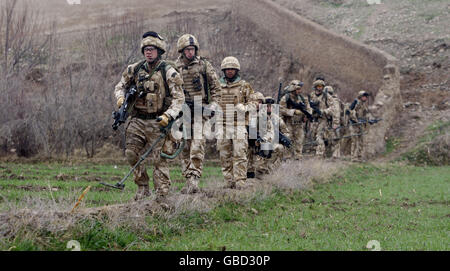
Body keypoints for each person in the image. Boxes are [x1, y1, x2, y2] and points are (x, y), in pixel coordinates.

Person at [114, 31, 185, 206]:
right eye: (146, 49)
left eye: (152, 49)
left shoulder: (168, 72)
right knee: (131, 153)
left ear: (159, 51)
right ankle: (142, 187)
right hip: (137, 119)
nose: (148, 52)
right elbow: (120, 86)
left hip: (159, 121)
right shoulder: (134, 69)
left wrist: (169, 116)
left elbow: (179, 98)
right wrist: (120, 99)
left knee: (159, 159)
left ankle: (162, 195)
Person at [175, 34, 221, 194]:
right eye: (187, 49)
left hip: (201, 110)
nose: (190, 52)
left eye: (192, 49)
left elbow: (216, 88)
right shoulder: (175, 68)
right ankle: (188, 180)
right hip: (183, 113)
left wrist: (213, 105)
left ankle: (194, 178)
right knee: (184, 148)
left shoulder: (204, 65)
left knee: (198, 145)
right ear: (182, 50)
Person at [217, 56, 257, 189]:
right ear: (223, 70)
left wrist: (245, 108)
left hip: (238, 125)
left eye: (232, 69)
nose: (229, 71)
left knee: (240, 154)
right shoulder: (217, 86)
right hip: (222, 125)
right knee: (224, 155)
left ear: (236, 70)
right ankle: (228, 182)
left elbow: (255, 103)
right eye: (227, 69)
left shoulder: (244, 86)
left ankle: (240, 182)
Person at [279, 80, 311, 160]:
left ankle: (298, 158)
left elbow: (308, 109)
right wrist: (293, 111)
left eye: (300, 89)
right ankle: (287, 157)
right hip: (288, 123)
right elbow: (280, 109)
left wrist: (306, 116)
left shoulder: (303, 98)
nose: (299, 91)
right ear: (293, 89)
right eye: (297, 89)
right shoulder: (285, 98)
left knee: (299, 141)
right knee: (288, 140)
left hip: (299, 124)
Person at [308, 80, 340, 157]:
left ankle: (320, 155)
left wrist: (323, 111)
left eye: (321, 86)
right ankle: (321, 153)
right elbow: (307, 106)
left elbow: (333, 108)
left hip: (323, 119)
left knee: (319, 136)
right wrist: (310, 111)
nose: (320, 88)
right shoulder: (311, 96)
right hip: (314, 120)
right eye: (318, 86)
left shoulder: (327, 96)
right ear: (315, 87)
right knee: (313, 136)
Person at [247, 92, 274, 179]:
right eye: (257, 101)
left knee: (268, 148)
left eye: (260, 102)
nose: (259, 104)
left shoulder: (265, 115)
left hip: (260, 141)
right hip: (247, 142)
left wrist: (264, 139)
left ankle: (262, 172)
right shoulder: (246, 114)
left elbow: (270, 131)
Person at [348, 90, 374, 162]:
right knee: (354, 141)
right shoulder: (356, 102)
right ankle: (353, 157)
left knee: (361, 141)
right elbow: (349, 112)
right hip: (354, 125)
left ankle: (359, 156)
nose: (365, 98)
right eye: (364, 96)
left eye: (366, 97)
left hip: (360, 125)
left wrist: (370, 120)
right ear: (360, 96)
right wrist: (355, 120)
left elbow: (366, 114)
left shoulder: (363, 105)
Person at [324, 85, 343, 159]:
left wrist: (336, 124)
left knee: (335, 139)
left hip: (334, 122)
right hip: (328, 122)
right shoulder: (326, 100)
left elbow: (337, 113)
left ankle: (335, 156)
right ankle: (328, 155)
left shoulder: (334, 101)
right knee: (327, 139)